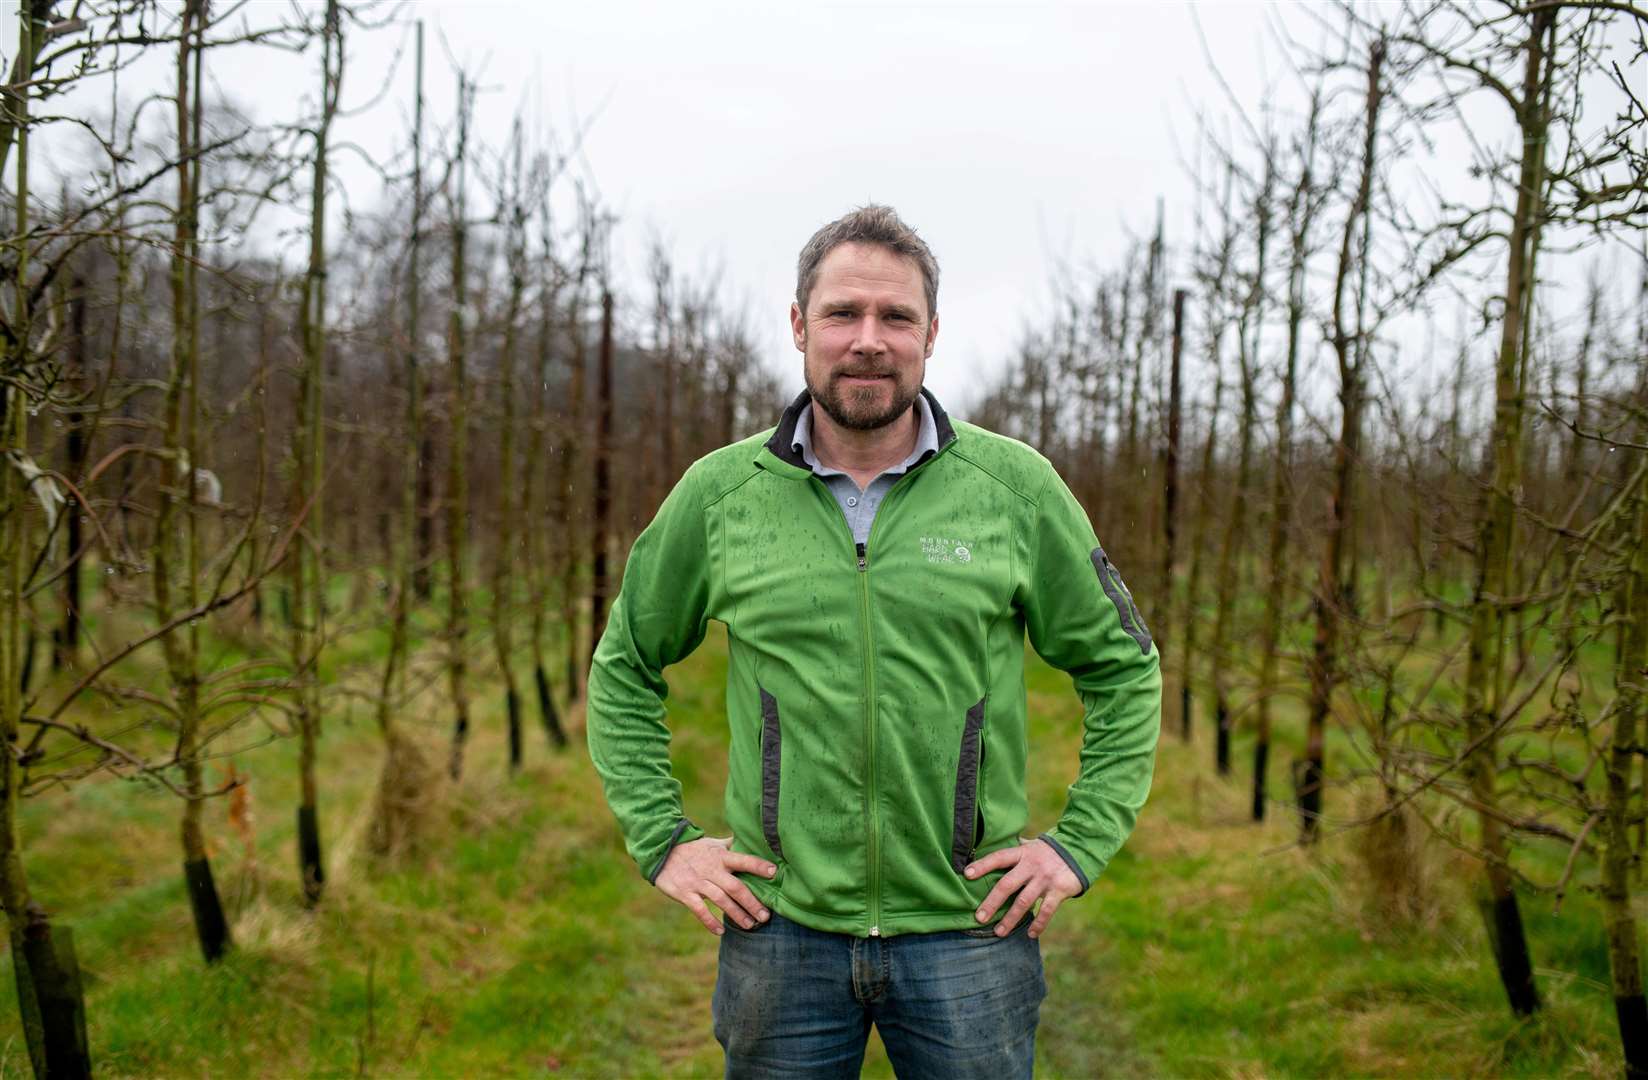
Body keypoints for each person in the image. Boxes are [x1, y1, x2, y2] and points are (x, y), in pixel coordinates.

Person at [588, 204, 1161, 1078]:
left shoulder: (1014, 489)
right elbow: (625, 662)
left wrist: (1076, 846)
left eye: (895, 317)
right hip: (779, 936)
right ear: (797, 325)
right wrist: (662, 840)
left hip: (969, 933)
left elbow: (1124, 667)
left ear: (930, 333)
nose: (868, 340)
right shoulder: (720, 495)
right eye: (842, 314)